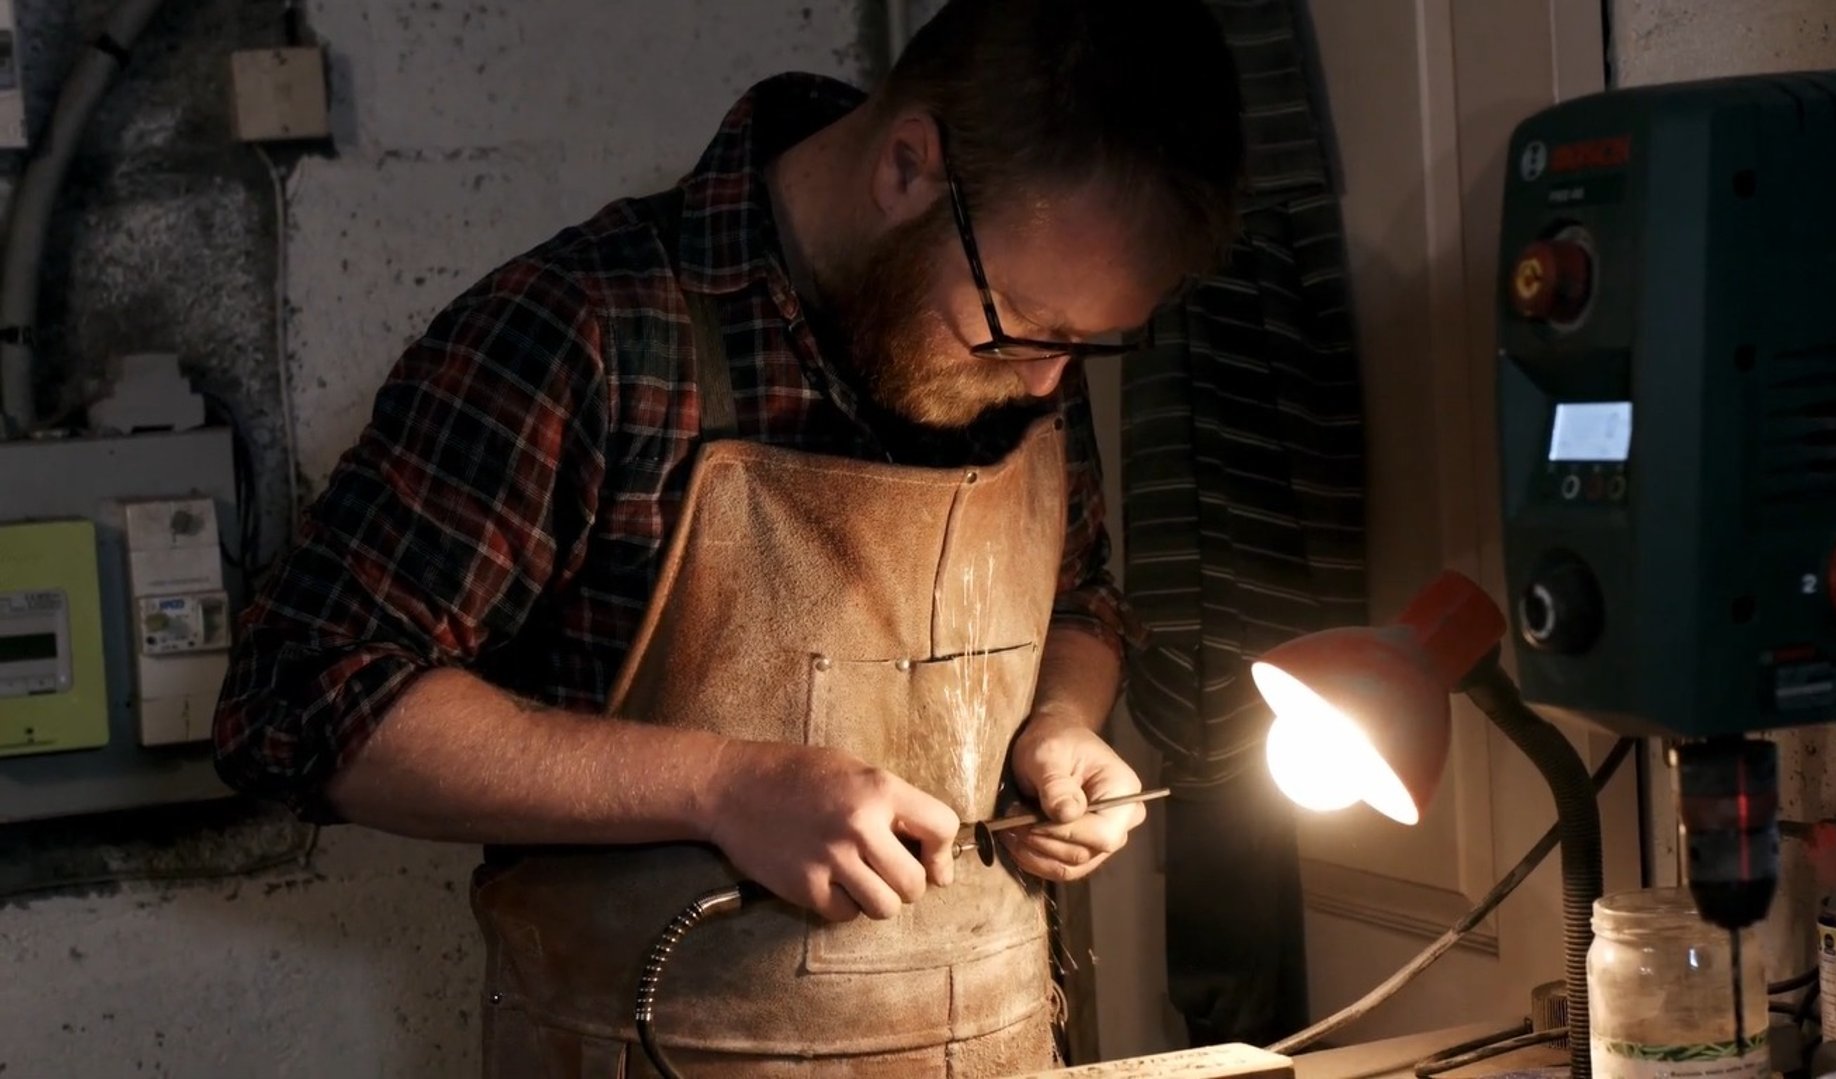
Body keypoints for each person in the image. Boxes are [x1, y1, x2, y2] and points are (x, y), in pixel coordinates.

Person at [212, 0, 1244, 1073]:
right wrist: (724, 785)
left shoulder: (1025, 348)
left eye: (1084, 345)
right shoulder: (584, 332)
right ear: (909, 168)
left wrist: (1062, 722)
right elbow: (300, 699)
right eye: (1027, 324)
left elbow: (1083, 594)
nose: (1044, 381)